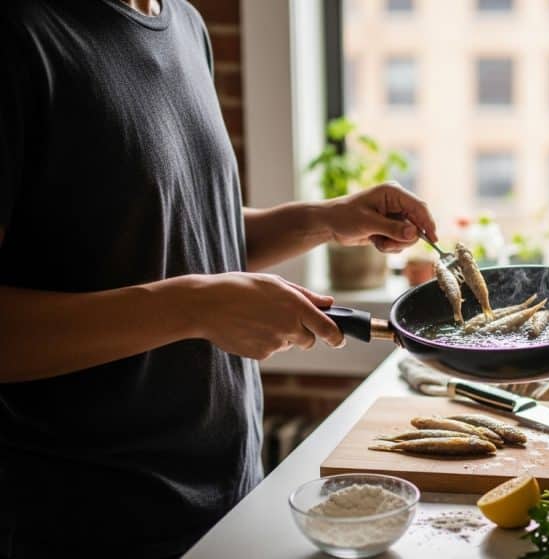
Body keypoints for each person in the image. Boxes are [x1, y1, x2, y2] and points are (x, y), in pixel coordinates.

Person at [0, 0, 438, 557]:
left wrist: (324, 220)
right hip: (90, 523)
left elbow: (185, 235)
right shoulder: (19, 35)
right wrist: (193, 308)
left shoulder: (183, 23)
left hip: (229, 497)